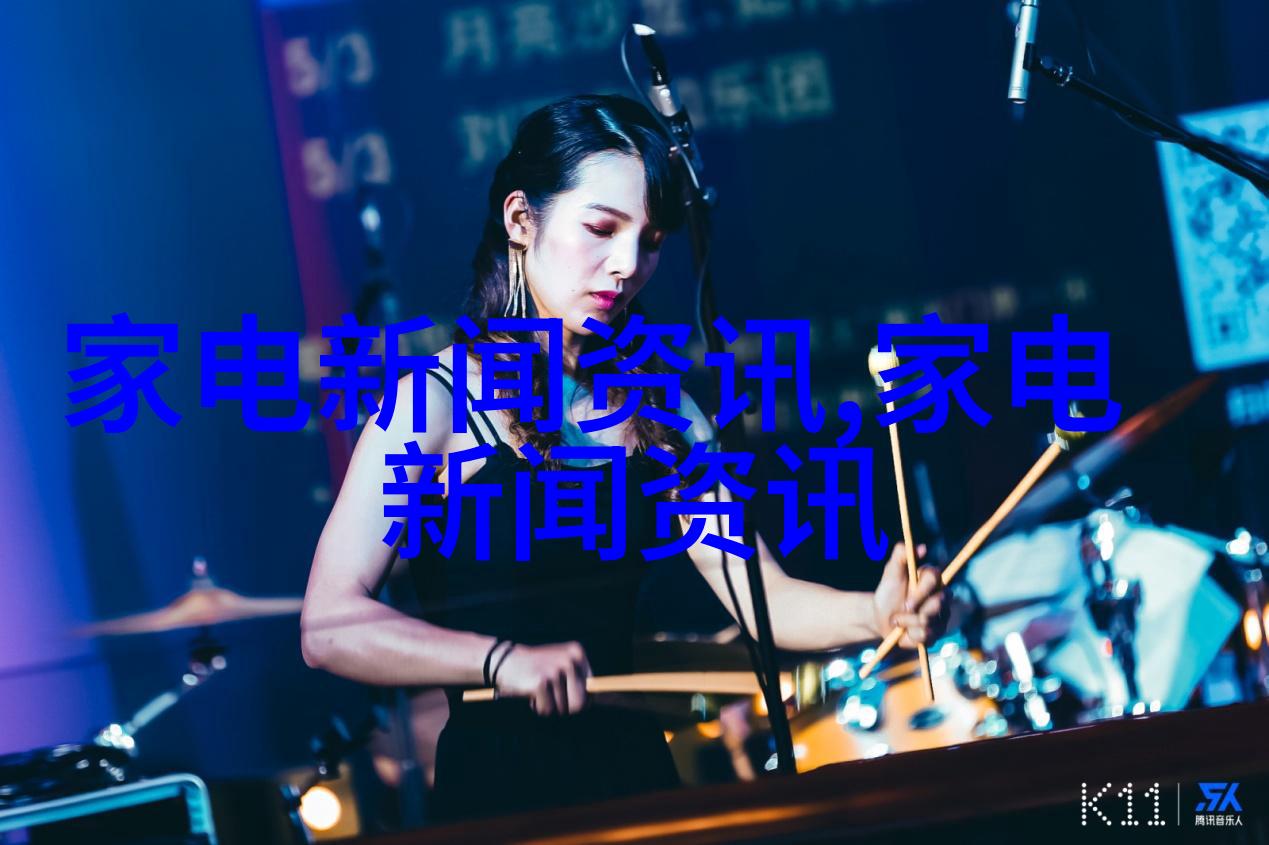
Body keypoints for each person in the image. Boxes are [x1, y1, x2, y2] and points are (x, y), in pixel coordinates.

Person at [301, 93, 948, 821]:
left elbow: (762, 597)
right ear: (520, 220)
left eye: (651, 240)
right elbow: (328, 625)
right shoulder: (434, 403)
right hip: (501, 797)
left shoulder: (663, 413)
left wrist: (877, 612)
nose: (627, 265)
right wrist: (499, 660)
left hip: (637, 781)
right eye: (601, 229)